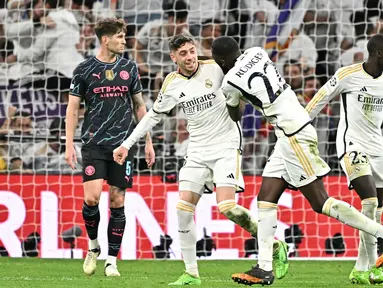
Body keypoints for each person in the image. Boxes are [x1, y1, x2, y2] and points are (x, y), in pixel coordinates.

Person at [112, 34, 289, 285]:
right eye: (183, 53)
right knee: (183, 210)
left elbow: (247, 81)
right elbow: (153, 115)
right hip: (196, 151)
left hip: (226, 146)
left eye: (192, 51)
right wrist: (127, 144)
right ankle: (191, 273)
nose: (190, 57)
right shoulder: (171, 83)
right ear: (173, 57)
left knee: (227, 207)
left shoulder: (216, 68)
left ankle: (273, 245)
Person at [211, 36, 383, 286]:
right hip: (289, 130)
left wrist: (230, 97)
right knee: (266, 199)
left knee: (320, 202)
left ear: (221, 61)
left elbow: (236, 114)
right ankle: (264, 267)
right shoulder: (258, 52)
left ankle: (381, 234)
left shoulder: (229, 82)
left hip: (293, 135)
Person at [65, 18, 155, 277]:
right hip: (93, 142)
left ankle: (112, 260)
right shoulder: (84, 69)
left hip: (124, 145)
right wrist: (69, 144)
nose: (124, 41)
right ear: (105, 39)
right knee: (91, 197)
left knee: (117, 200)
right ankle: (93, 247)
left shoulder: (129, 68)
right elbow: (73, 108)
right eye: (120, 37)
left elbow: (140, 106)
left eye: (124, 37)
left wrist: (147, 141)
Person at [306, 34, 383, 284]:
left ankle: (360, 269)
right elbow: (317, 102)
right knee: (369, 200)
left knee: (375, 210)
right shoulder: (347, 74)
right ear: (379, 53)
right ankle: (375, 267)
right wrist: (295, 132)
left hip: (378, 148)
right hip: (352, 146)